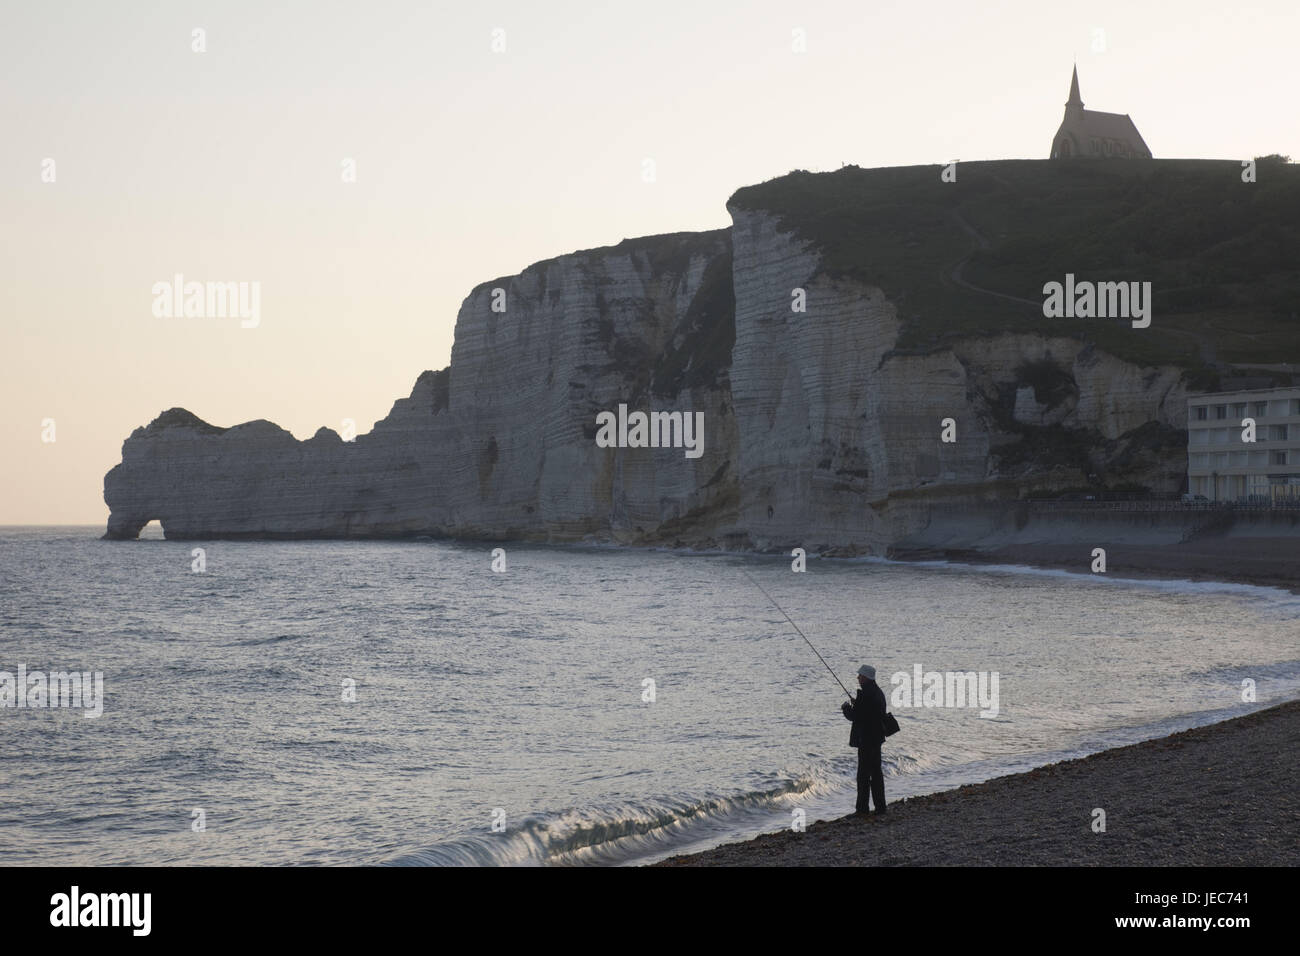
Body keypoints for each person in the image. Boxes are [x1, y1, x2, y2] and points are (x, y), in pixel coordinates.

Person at [841, 664, 887, 815]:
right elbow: (868, 711)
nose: (858, 678)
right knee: (876, 774)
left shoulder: (866, 694)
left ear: (866, 677)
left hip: (866, 740)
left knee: (863, 776)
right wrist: (857, 703)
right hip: (876, 738)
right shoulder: (878, 692)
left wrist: (846, 708)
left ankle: (862, 810)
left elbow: (856, 717)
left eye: (860, 676)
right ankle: (880, 807)